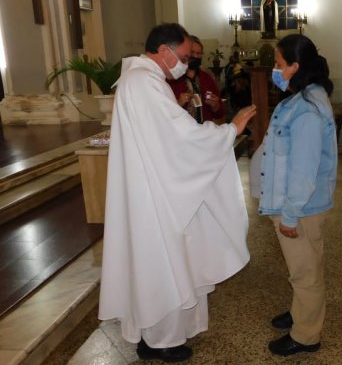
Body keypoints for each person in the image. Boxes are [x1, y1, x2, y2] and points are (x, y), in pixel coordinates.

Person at [98, 23, 256, 363]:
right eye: (184, 56)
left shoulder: (142, 80)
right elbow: (180, 137)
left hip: (152, 186)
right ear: (164, 51)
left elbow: (168, 137)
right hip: (155, 196)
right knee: (165, 261)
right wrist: (230, 130)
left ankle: (151, 337)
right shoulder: (143, 84)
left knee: (159, 260)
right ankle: (162, 340)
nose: (186, 63)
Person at [258, 34, 337, 356]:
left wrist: (290, 215)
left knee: (305, 272)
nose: (275, 70)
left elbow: (303, 171)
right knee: (303, 266)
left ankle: (306, 335)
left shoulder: (306, 110)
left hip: (300, 207)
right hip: (298, 203)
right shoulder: (305, 96)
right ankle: (299, 312)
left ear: (295, 66)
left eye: (278, 64)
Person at [168, 35, 226, 124]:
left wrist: (216, 105)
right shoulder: (173, 79)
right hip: (181, 131)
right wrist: (178, 103)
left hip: (204, 130)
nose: (195, 56)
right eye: (192, 52)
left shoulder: (207, 78)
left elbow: (219, 113)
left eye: (199, 53)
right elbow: (164, 113)